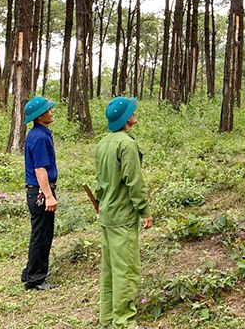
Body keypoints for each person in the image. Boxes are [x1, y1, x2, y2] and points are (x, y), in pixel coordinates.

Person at [95, 97, 153, 329]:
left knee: (109, 270)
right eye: (132, 110)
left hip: (108, 214)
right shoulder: (127, 145)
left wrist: (100, 206)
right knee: (126, 270)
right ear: (126, 117)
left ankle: (107, 318)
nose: (135, 112)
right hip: (122, 218)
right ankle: (124, 322)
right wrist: (144, 210)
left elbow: (100, 182)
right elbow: (134, 182)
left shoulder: (103, 143)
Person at [21, 96, 59, 290]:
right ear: (38, 115)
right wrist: (49, 196)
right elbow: (40, 169)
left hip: (38, 192)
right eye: (47, 110)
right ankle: (35, 279)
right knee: (41, 235)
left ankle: (31, 271)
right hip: (40, 193)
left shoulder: (39, 134)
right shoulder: (39, 137)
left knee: (41, 233)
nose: (51, 112)